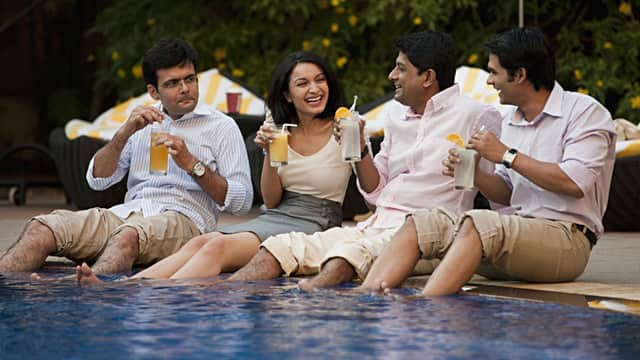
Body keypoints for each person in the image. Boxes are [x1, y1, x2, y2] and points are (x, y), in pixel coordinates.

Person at [224, 31, 503, 290]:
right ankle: (216, 299)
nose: (392, 75)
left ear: (427, 77)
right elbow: (374, 195)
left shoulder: (477, 116)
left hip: (428, 233)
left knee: (344, 257)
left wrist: (474, 173)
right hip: (376, 223)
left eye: (401, 68)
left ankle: (312, 310)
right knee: (277, 249)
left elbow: (500, 198)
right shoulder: (395, 114)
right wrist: (359, 148)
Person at [361, 27, 616, 296]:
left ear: (519, 75)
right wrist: (474, 176)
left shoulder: (584, 112)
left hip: (566, 239)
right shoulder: (510, 121)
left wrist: (507, 155)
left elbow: (576, 182)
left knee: (478, 223)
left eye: (494, 73)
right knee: (424, 221)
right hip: (514, 233)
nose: (489, 82)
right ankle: (368, 298)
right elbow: (507, 195)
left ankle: (428, 308)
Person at [76, 51, 351, 284]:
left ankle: (155, 292)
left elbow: (371, 187)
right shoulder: (282, 132)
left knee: (216, 246)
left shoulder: (346, 127)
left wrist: (358, 145)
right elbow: (271, 200)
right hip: (280, 214)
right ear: (288, 95)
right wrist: (269, 154)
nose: (314, 89)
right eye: (303, 83)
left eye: (320, 80)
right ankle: (126, 286)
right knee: (199, 243)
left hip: (317, 221)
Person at [0, 38, 253, 275]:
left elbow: (241, 201)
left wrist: (192, 165)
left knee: (127, 237)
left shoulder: (222, 127)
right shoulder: (141, 123)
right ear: (153, 92)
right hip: (129, 213)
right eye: (173, 83)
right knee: (41, 228)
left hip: (186, 220)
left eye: (190, 79)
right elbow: (97, 180)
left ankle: (87, 295)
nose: (185, 89)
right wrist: (122, 134)